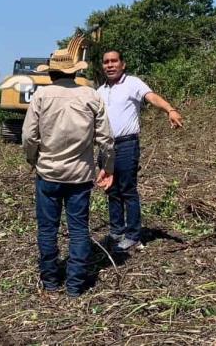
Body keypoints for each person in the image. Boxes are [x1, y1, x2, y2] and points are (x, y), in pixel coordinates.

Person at [22, 49, 115, 297]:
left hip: (48, 175)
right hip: (80, 177)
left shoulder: (41, 96)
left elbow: (29, 137)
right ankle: (75, 286)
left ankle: (51, 282)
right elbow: (106, 139)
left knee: (47, 230)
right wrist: (108, 167)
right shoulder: (91, 96)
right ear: (75, 71)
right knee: (78, 230)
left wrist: (33, 159)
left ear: (51, 72)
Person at [97, 50, 184, 253]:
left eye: (114, 61)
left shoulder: (133, 83)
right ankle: (116, 231)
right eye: (106, 62)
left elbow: (151, 97)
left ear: (122, 64)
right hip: (105, 145)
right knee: (111, 189)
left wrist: (170, 109)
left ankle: (133, 235)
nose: (110, 65)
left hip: (127, 144)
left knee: (127, 189)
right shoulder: (99, 91)